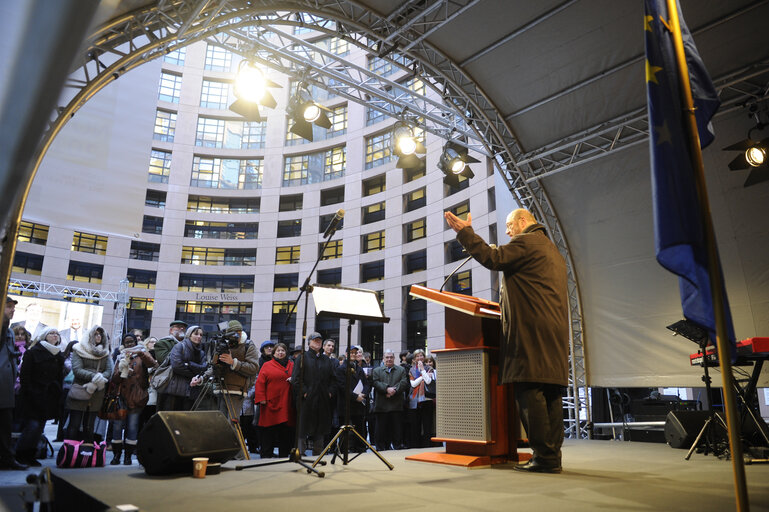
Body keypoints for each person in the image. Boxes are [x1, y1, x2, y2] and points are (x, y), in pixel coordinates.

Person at [445, 208, 569, 474]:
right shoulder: (553, 251)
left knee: (530, 390)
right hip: (553, 333)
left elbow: (493, 258)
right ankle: (552, 456)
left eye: (510, 225)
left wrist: (464, 233)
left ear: (523, 222)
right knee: (550, 393)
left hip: (530, 332)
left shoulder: (526, 242)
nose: (507, 231)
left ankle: (544, 458)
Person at [16, 327, 65, 466]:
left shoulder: (58, 355)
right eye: (52, 333)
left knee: (40, 427)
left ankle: (31, 455)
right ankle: (20, 454)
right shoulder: (33, 353)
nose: (55, 335)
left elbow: (59, 376)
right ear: (44, 336)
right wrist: (30, 392)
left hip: (48, 396)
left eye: (57, 333)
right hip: (33, 395)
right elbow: (25, 376)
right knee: (32, 425)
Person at [109, 333, 156, 465]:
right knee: (117, 427)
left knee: (133, 426)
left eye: (132, 342)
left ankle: (128, 456)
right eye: (127, 342)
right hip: (121, 397)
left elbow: (153, 364)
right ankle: (116, 455)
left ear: (136, 342)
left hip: (137, 396)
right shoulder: (120, 357)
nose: (129, 345)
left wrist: (141, 353)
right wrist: (122, 371)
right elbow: (115, 379)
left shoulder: (143, 355)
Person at [66, 326, 114, 443]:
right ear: (89, 336)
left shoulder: (105, 352)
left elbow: (108, 371)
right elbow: (77, 369)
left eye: (100, 335)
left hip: (97, 392)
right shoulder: (78, 349)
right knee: (74, 424)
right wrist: (96, 376)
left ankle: (87, 453)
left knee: (89, 426)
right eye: (96, 334)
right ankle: (70, 452)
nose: (98, 336)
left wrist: (100, 378)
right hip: (81, 390)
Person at [208, 321, 258, 428]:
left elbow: (253, 368)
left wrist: (233, 362)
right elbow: (215, 366)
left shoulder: (248, 345)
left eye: (239, 333)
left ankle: (233, 444)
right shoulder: (223, 344)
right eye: (234, 333)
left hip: (236, 391)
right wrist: (202, 378)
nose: (237, 336)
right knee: (219, 425)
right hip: (219, 389)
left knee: (232, 424)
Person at [293, 332, 336, 456]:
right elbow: (296, 379)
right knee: (303, 427)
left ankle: (318, 455)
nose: (318, 342)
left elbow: (333, 379)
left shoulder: (326, 359)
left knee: (320, 428)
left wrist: (330, 393)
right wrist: (305, 393)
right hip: (306, 400)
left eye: (319, 340)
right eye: (315, 340)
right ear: (309, 343)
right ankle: (299, 454)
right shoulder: (302, 357)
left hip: (323, 399)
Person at [254, 342, 295, 458]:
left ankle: (284, 457)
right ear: (274, 353)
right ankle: (266, 458)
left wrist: (294, 380)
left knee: (285, 434)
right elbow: (260, 383)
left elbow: (299, 379)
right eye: (278, 351)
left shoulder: (292, 365)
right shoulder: (267, 365)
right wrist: (261, 399)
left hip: (287, 404)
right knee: (268, 434)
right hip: (270, 405)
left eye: (283, 351)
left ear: (286, 352)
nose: (280, 353)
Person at [0, 296, 26, 470]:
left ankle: (7, 459)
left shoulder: (9, 331)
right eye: (8, 307)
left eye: (13, 307)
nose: (12, 310)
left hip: (6, 386)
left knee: (5, 426)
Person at [161, 325, 207, 411]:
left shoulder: (201, 352)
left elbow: (203, 368)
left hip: (192, 391)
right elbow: (177, 366)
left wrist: (189, 364)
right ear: (189, 335)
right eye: (196, 334)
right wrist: (193, 374)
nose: (199, 337)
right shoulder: (180, 346)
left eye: (201, 335)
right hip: (175, 390)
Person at [371, 349, 409, 450]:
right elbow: (375, 382)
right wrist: (386, 389)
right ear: (383, 358)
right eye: (387, 357)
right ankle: (381, 449)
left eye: (391, 357)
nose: (389, 359)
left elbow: (404, 383)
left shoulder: (401, 370)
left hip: (396, 405)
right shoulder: (376, 371)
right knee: (381, 430)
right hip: (381, 406)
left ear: (394, 358)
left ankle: (397, 447)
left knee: (397, 430)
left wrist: (394, 390)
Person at [335, 345, 369, 452]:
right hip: (346, 404)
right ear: (346, 354)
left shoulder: (359, 369)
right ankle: (345, 450)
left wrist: (363, 394)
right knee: (345, 430)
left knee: (359, 428)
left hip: (358, 405)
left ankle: (360, 449)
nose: (353, 355)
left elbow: (366, 384)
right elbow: (342, 387)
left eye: (355, 353)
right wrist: (355, 397)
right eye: (351, 352)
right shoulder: (340, 369)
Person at [406, 349, 433, 447]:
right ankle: (415, 446)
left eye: (421, 355)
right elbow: (413, 384)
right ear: (414, 358)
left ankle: (427, 445)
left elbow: (429, 381)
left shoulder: (429, 368)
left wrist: (422, 370)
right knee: (415, 425)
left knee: (427, 424)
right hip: (414, 400)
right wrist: (423, 377)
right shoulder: (411, 369)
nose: (419, 357)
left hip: (427, 399)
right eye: (417, 356)